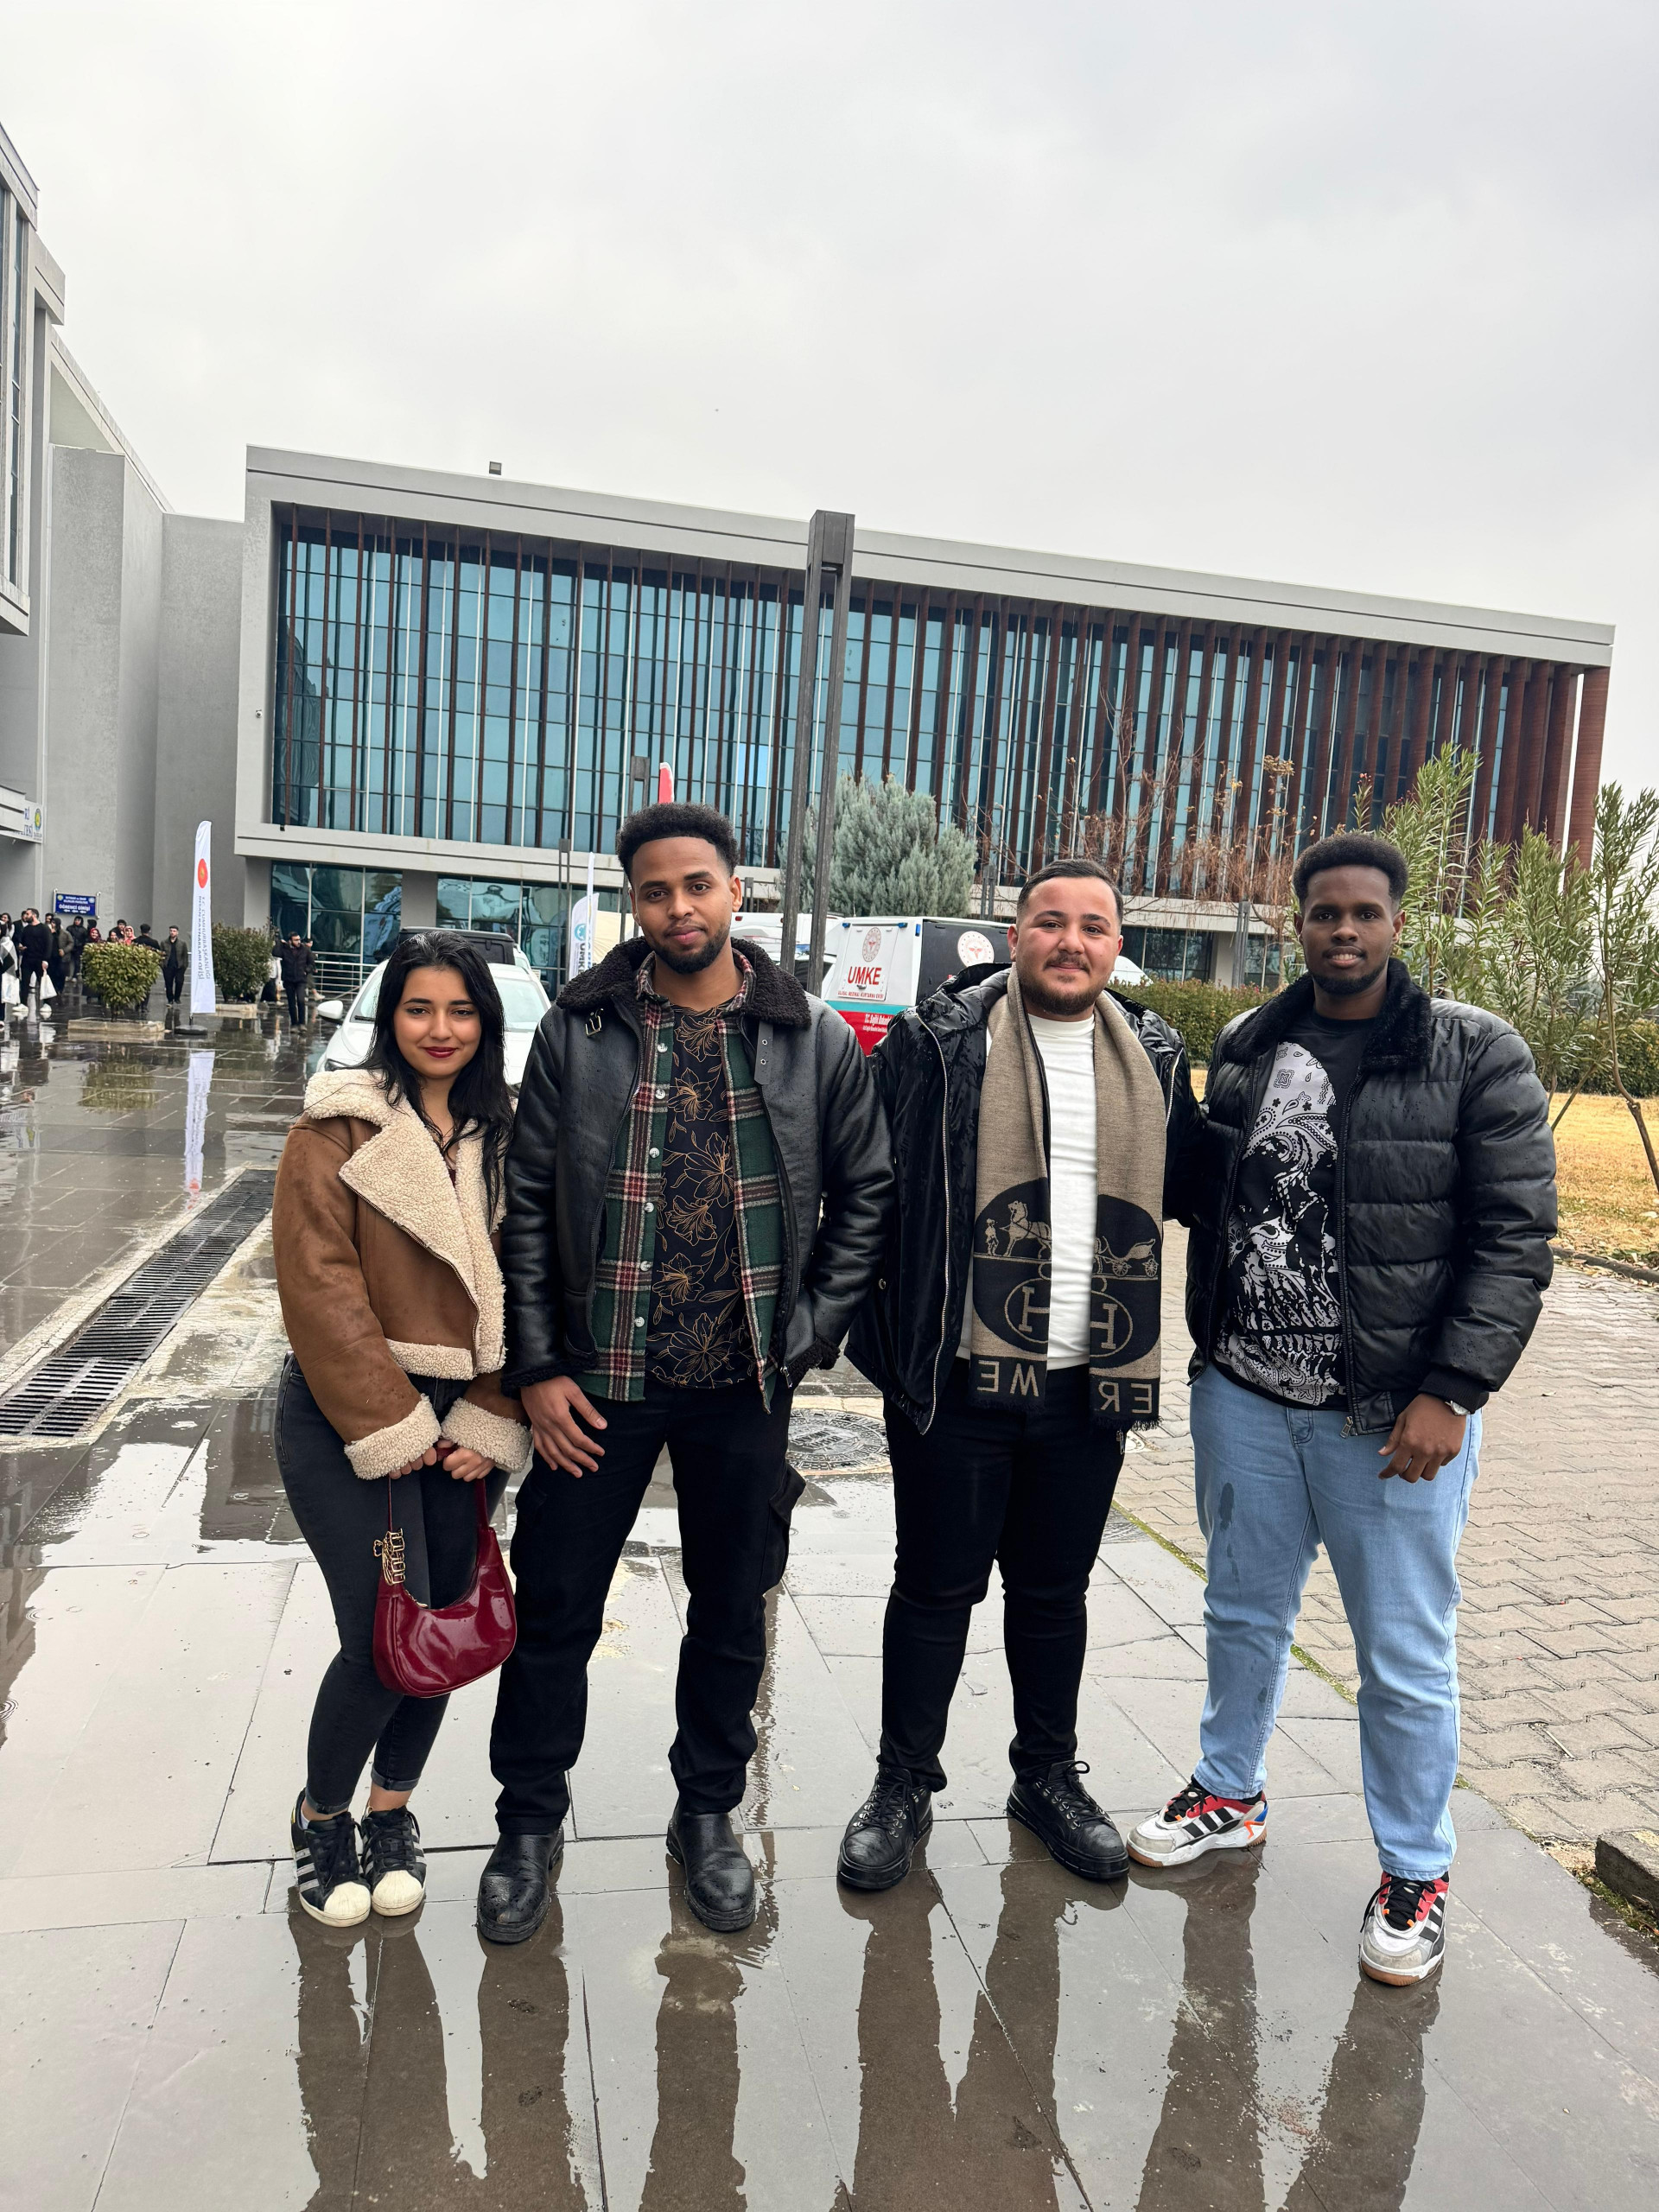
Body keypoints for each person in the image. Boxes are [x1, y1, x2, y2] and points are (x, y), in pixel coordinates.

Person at [1127, 832, 1556, 1988]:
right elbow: (1208, 1195)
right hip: (1247, 1397)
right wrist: (1150, 1090)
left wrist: (1452, 1390)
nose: (1344, 930)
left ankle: (1416, 1869)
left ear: (1398, 923)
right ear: (1298, 924)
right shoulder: (1249, 1043)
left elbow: (1515, 1237)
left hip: (1392, 1420)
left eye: (1365, 912)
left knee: (1404, 1657)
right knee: (1239, 1612)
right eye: (1325, 912)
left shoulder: (1475, 1052)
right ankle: (1229, 1791)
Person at [484, 801, 892, 1942]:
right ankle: (528, 1822)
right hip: (597, 1382)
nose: (679, 908)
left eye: (697, 885)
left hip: (743, 1384)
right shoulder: (581, 1030)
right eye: (656, 891)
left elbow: (867, 1191)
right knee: (554, 1607)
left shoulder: (812, 1038)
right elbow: (526, 1204)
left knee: (730, 1611)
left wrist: (807, 1332)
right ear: (636, 903)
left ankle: (707, 1814)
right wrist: (537, 1365)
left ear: (734, 891)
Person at [840, 857, 1201, 1891]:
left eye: (1093, 925)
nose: (1070, 941)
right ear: (1015, 935)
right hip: (958, 1376)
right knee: (934, 1587)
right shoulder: (939, 1041)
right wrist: (879, 1341)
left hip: (1091, 1380)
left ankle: (1045, 1775)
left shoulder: (1155, 1056)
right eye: (1050, 921)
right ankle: (903, 1784)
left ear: (1118, 945)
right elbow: (872, 1191)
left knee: (1053, 1593)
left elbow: (1196, 1186)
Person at [270, 931, 533, 1928]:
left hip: (468, 1421)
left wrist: (494, 1412)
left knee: (444, 1628)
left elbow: (536, 1279)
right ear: (390, 1017)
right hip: (353, 1414)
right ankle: (321, 1815)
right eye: (419, 1008)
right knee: (382, 1636)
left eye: (460, 1010)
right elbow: (320, 1287)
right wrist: (393, 1420)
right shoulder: (337, 1126)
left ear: (485, 1021)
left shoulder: (511, 1132)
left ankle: (392, 1812)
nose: (440, 1028)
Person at [279, 931, 315, 1025]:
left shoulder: (305, 949)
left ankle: (302, 1023)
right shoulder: (285, 950)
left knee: (301, 1000)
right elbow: (275, 953)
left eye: (299, 939)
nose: (298, 942)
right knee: (291, 1003)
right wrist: (280, 944)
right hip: (289, 979)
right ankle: (294, 1023)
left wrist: (306, 970)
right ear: (290, 941)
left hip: (301, 979)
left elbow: (311, 964)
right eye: (296, 940)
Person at [15, 910, 49, 1006]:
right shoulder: (26, 929)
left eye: (28, 914)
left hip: (40, 959)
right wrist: (20, 946)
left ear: (34, 915)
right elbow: (22, 941)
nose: (25, 916)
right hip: (27, 959)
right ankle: (23, 1003)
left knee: (43, 982)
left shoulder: (44, 928)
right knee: (24, 982)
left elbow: (48, 944)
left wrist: (45, 960)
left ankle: (47, 1003)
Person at [161, 926, 188, 1006]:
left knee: (179, 982)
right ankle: (170, 999)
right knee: (168, 984)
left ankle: (177, 998)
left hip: (179, 967)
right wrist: (162, 965)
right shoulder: (164, 943)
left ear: (177, 932)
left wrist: (184, 966)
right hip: (168, 966)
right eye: (171, 931)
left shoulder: (182, 943)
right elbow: (160, 954)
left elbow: (185, 956)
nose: (172, 932)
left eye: (174, 931)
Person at [67, 915, 89, 980]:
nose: (77, 921)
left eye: (78, 920)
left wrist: (81, 945)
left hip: (79, 948)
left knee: (77, 963)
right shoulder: (70, 928)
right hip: (70, 947)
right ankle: (68, 975)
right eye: (76, 920)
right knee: (67, 962)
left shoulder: (84, 930)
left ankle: (75, 976)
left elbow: (85, 939)